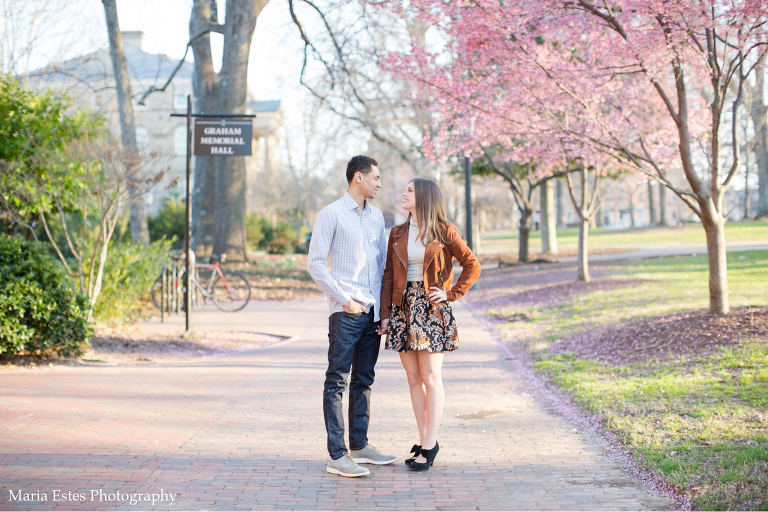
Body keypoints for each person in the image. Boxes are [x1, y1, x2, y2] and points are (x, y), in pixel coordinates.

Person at [377, 178, 481, 471]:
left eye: (409, 190)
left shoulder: (444, 231)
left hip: (431, 309)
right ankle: (425, 441)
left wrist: (450, 293)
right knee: (413, 378)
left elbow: (472, 264)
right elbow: (387, 275)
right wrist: (386, 315)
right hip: (403, 308)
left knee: (431, 377)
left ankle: (429, 444)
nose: (403, 194)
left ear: (423, 196)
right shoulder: (397, 232)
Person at [307, 155, 398, 478]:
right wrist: (344, 300)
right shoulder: (330, 214)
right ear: (357, 177)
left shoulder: (376, 218)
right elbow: (316, 264)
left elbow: (382, 268)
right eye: (375, 177)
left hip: (372, 314)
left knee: (364, 381)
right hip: (345, 313)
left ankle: (360, 445)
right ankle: (337, 455)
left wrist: (383, 312)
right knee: (337, 382)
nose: (379, 183)